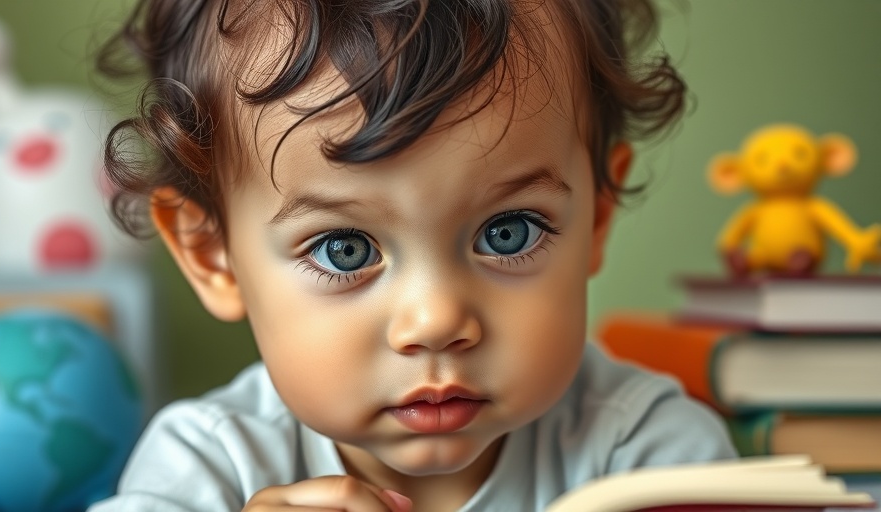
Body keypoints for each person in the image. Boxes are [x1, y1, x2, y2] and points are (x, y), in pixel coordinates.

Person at [90, 0, 736, 510]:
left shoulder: (648, 450)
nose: (435, 320)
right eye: (345, 250)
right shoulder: (206, 465)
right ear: (214, 255)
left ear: (596, 214)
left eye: (508, 231)